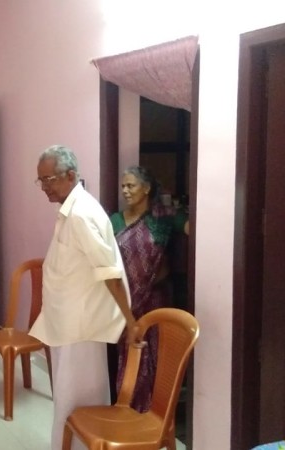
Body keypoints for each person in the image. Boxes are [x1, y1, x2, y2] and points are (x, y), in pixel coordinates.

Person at [28, 145, 135, 450]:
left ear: (71, 175)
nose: (44, 187)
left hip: (81, 329)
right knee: (68, 399)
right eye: (40, 180)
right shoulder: (70, 209)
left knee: (78, 402)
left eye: (49, 179)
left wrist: (130, 321)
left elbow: (109, 271)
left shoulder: (80, 214)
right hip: (68, 324)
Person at [108, 166, 189, 411]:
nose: (125, 191)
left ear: (146, 188)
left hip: (155, 298)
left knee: (155, 354)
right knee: (129, 353)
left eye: (131, 185)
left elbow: (191, 228)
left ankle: (155, 412)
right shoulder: (115, 220)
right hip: (124, 302)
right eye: (123, 186)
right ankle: (129, 409)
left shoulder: (162, 218)